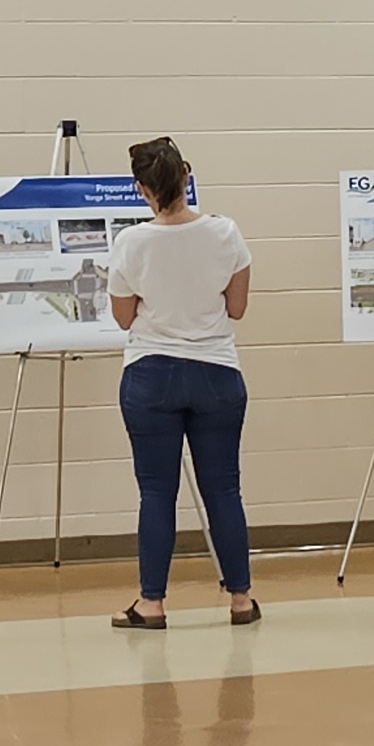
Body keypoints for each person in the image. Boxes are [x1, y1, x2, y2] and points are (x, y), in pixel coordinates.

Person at [105, 135, 258, 631]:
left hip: (150, 376)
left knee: (156, 493)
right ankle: (240, 600)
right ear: (187, 178)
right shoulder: (225, 233)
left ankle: (152, 604)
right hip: (217, 372)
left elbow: (125, 318)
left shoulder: (130, 242)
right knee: (225, 491)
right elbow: (236, 307)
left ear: (141, 189)